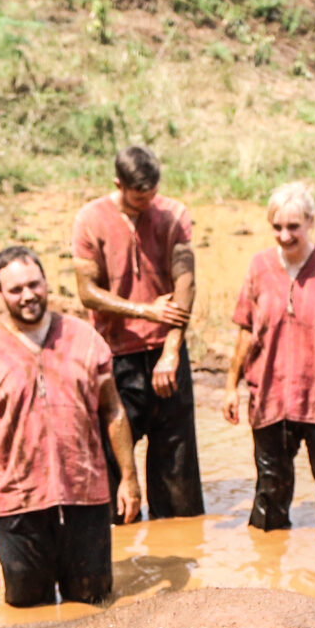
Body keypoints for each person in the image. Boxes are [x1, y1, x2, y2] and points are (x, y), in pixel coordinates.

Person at [0, 245, 140, 607]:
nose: (28, 296)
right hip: (16, 504)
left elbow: (113, 411)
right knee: (27, 618)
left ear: (46, 282)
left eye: (34, 285)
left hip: (85, 495)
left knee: (95, 608)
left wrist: (130, 479)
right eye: (16, 289)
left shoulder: (86, 340)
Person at [223, 182, 315, 536]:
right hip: (271, 398)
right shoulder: (259, 266)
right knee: (269, 492)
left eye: (293, 227)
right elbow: (246, 329)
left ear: (310, 222)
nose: (285, 235)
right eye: (277, 227)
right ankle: (266, 582)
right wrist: (230, 386)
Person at [70, 145, 204, 519]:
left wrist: (172, 350)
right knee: (113, 477)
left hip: (165, 353)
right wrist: (145, 310)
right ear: (119, 184)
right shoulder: (90, 219)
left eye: (152, 195)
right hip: (114, 355)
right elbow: (87, 292)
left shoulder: (174, 215)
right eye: (139, 196)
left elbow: (186, 284)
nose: (148, 203)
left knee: (177, 474)